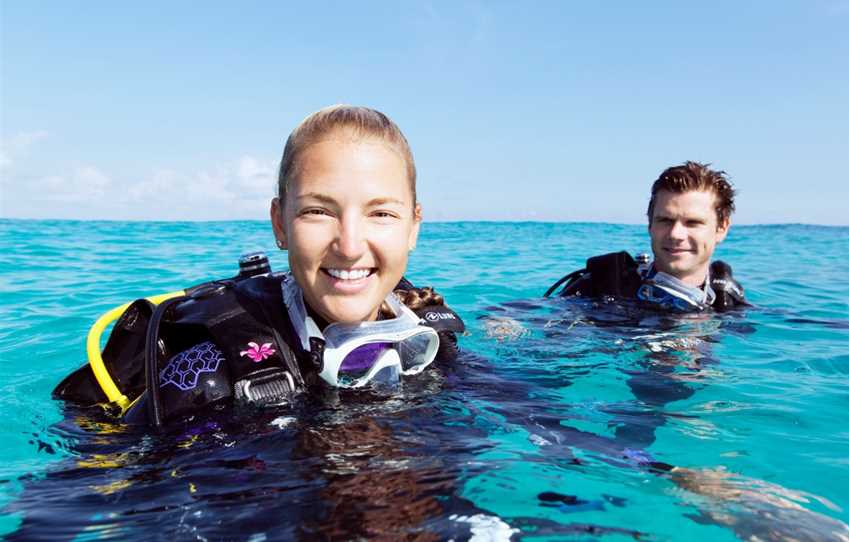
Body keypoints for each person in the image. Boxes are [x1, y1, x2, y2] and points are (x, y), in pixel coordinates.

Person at [52, 105, 464, 427]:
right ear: (279, 224)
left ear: (413, 227)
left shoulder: (434, 344)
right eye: (319, 211)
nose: (351, 246)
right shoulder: (208, 378)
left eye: (382, 214)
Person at [545, 161, 748, 312]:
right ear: (650, 224)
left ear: (721, 228)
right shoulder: (601, 288)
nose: (676, 234)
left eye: (692, 223)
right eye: (665, 220)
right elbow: (529, 319)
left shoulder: (728, 304)